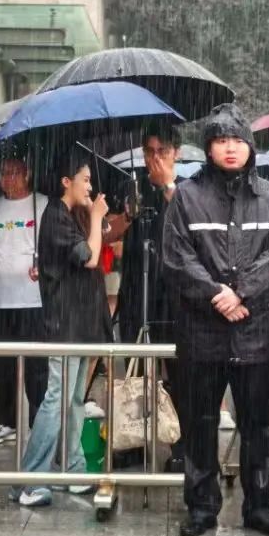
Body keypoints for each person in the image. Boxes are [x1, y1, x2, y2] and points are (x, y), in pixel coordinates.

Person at [163, 103, 269, 536]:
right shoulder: (187, 196)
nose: (230, 148)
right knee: (199, 422)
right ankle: (202, 508)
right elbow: (177, 256)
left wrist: (242, 292)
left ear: (251, 147)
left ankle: (259, 505)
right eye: (221, 141)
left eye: (238, 140)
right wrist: (217, 293)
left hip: (255, 331)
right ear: (208, 148)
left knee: (258, 423)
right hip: (202, 333)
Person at [12, 154, 112, 507]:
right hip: (65, 326)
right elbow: (89, 257)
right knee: (56, 399)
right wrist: (97, 219)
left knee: (73, 400)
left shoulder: (66, 216)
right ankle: (32, 479)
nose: (90, 186)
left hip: (81, 325)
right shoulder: (55, 217)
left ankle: (73, 469)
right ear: (66, 182)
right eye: (84, 179)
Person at [106, 126, 187, 470]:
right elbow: (109, 233)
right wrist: (128, 215)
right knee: (136, 370)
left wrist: (167, 185)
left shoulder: (188, 188)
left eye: (162, 151)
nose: (154, 158)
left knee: (177, 369)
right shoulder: (132, 183)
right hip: (137, 288)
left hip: (173, 293)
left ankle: (182, 444)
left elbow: (189, 223)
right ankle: (134, 439)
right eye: (149, 151)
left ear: (176, 153)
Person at [0, 157, 49, 446]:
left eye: (15, 173)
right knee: (3, 366)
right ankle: (5, 422)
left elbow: (53, 244)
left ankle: (38, 423)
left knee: (36, 367)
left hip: (34, 300)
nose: (9, 179)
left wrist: (44, 265)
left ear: (28, 174)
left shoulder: (42, 204)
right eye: (4, 173)